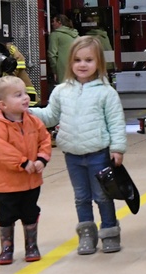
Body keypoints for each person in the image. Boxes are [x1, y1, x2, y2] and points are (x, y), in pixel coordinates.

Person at [30, 35, 127, 255]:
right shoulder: (61, 91)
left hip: (99, 154)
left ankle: (110, 232)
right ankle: (87, 235)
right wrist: (27, 112)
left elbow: (116, 122)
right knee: (81, 197)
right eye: (77, 60)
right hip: (72, 155)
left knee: (103, 195)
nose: (82, 65)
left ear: (99, 63)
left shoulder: (106, 93)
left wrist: (117, 149)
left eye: (89, 60)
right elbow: (50, 116)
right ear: (70, 62)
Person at [0, 75, 51, 265]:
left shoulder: (33, 121)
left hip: (31, 182)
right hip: (6, 185)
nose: (25, 97)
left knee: (30, 213)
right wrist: (22, 162)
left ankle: (32, 245)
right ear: (3, 105)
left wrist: (41, 159)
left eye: (24, 93)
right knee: (6, 216)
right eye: (18, 95)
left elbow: (45, 140)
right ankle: (7, 248)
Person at [47, 14, 78, 85]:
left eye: (53, 21)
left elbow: (52, 54)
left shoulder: (55, 35)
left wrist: (55, 71)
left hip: (63, 70)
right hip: (76, 67)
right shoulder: (76, 35)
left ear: (59, 22)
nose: (52, 23)